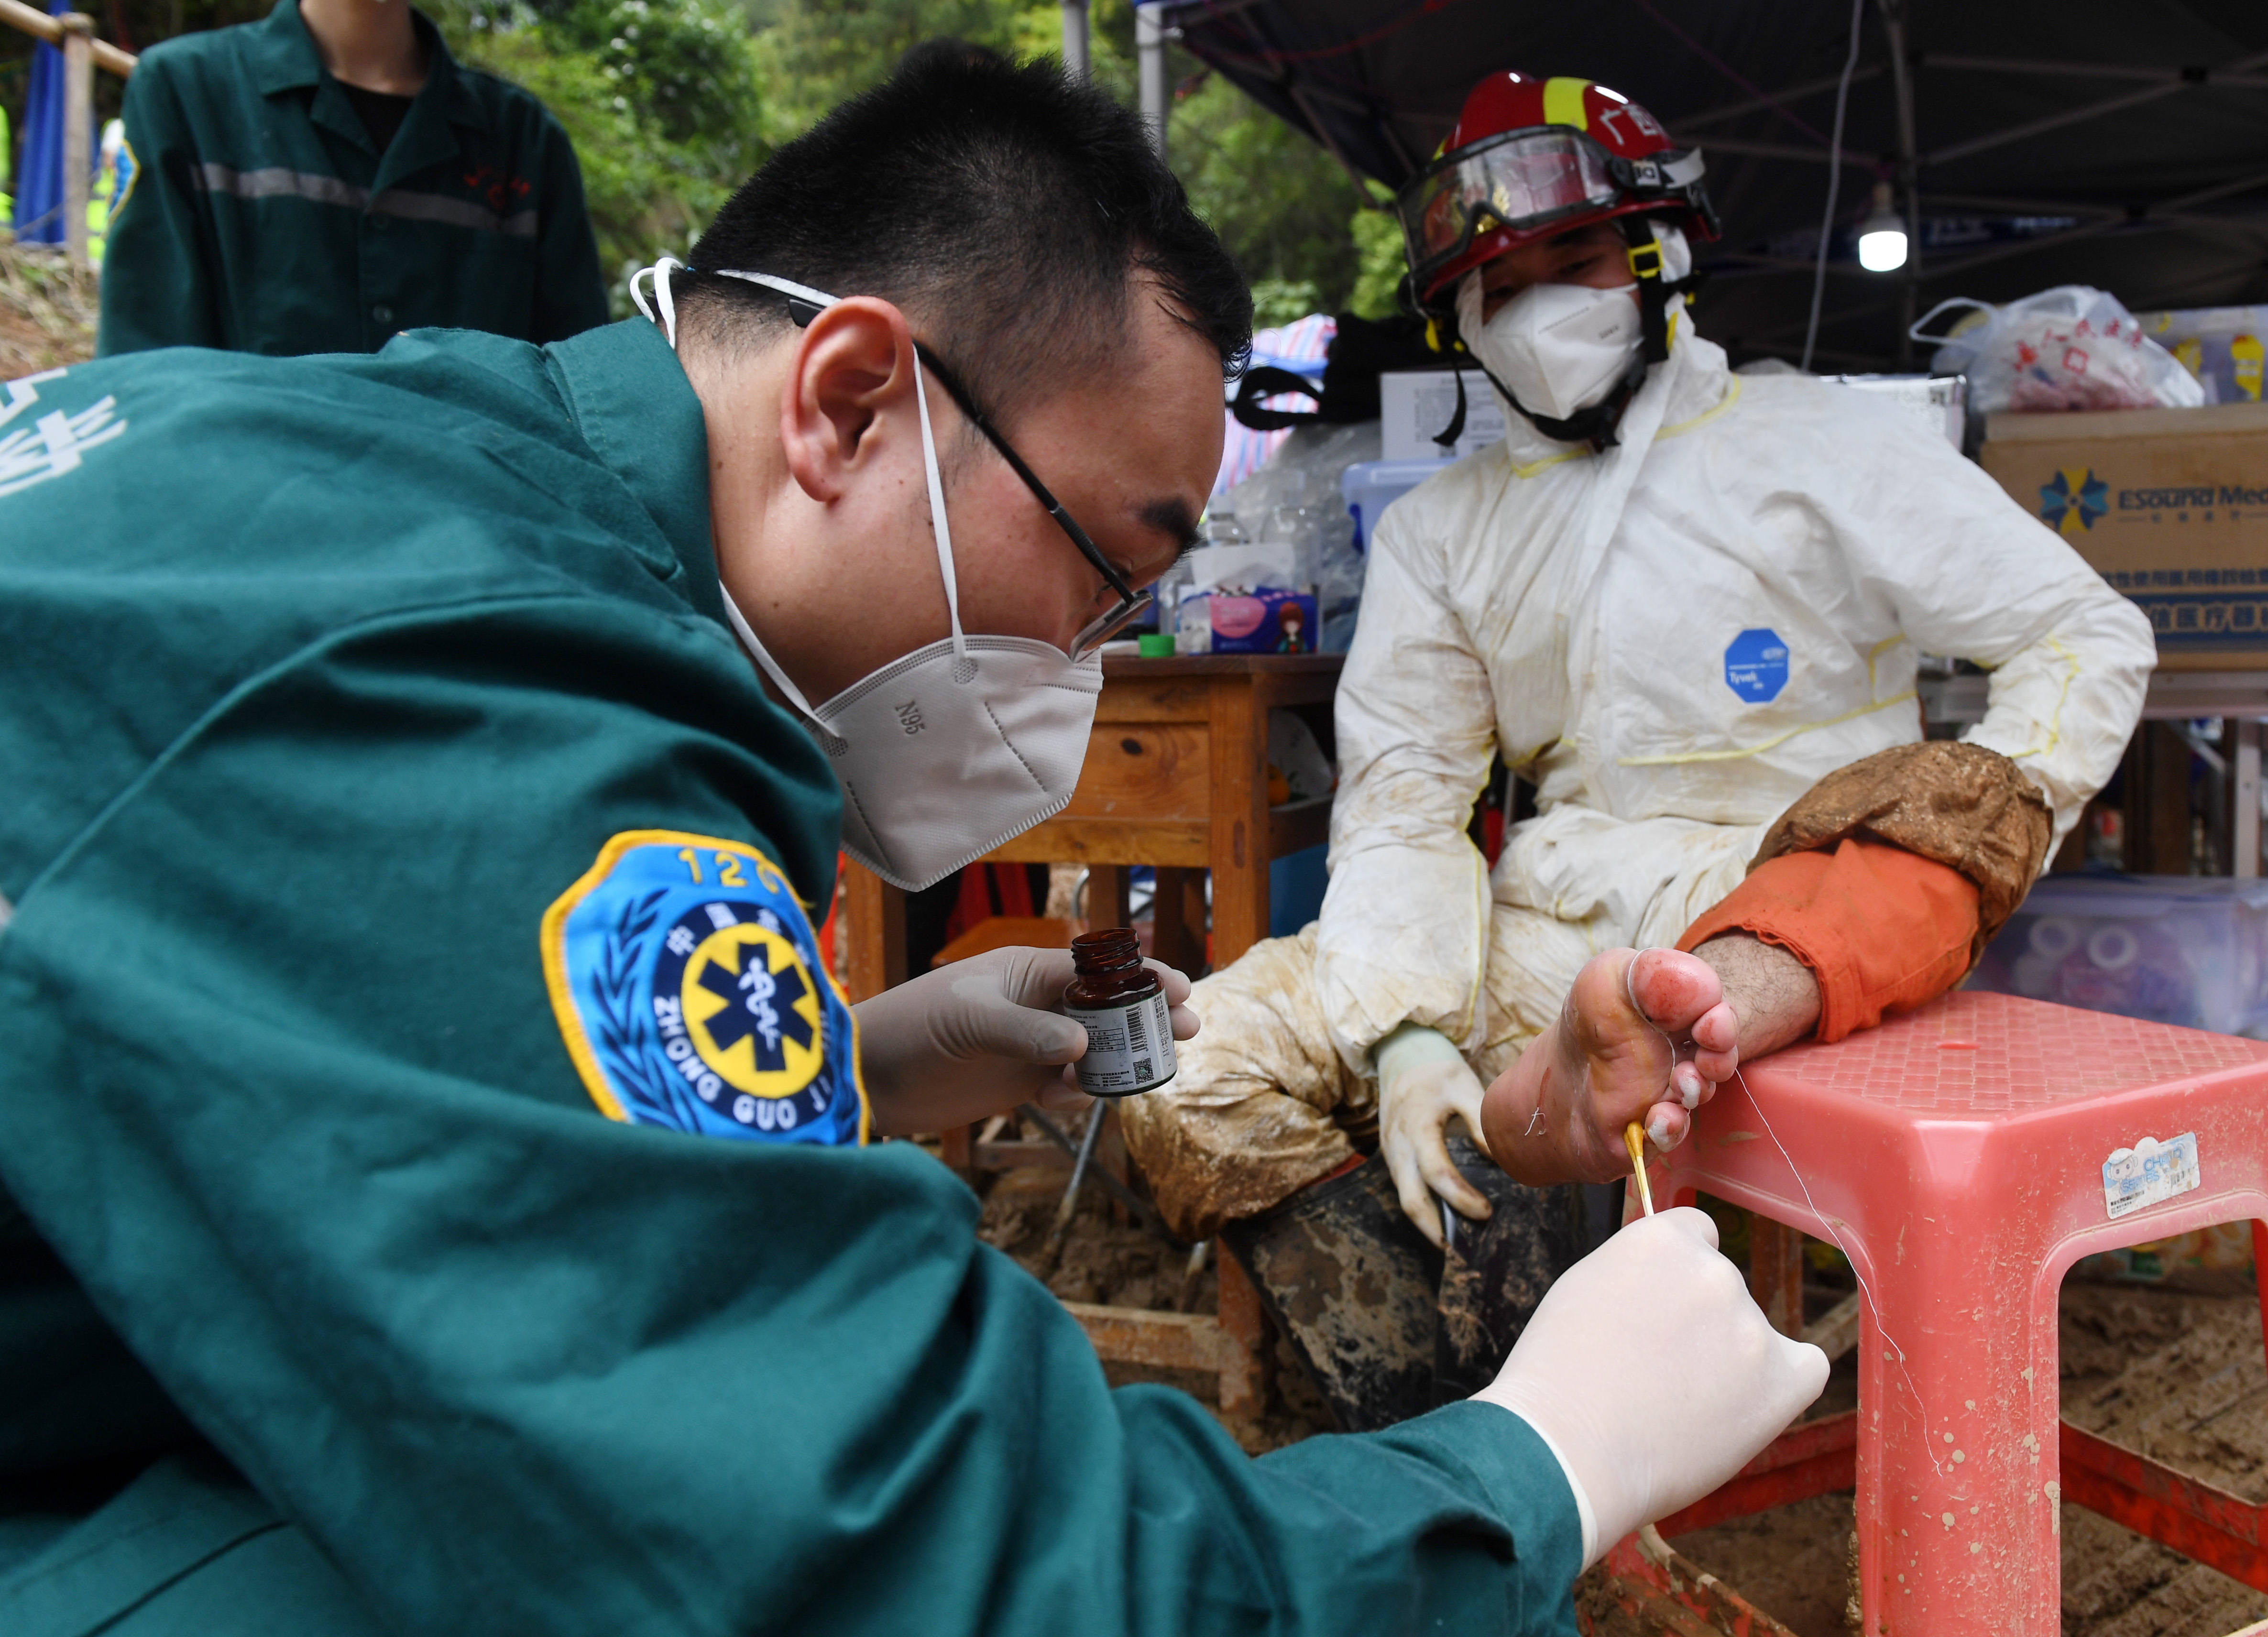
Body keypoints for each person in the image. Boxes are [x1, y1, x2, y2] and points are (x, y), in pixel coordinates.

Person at [0, 52, 1825, 1633]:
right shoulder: (511, 698)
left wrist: (846, 1073)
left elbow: (331, 1038)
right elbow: (886, 1553)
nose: (1090, 671)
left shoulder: (361, 460)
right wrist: (1534, 1462)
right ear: (849, 399)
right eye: (1106, 571)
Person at [1117, 71, 2157, 1402]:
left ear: (1658, 254)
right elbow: (1406, 800)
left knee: (1928, 811)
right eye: (1502, 284)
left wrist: (1973, 829)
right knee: (1184, 1072)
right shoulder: (1446, 530)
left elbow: (2083, 635)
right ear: (1460, 328)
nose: (1544, 302)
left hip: (1777, 913)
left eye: (1577, 254)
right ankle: (1425, 1402)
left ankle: (1547, 1395)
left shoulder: (1821, 444)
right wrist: (1405, 1035)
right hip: (1546, 919)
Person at [96, 0, 606, 356]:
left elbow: (575, 387)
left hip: (470, 508)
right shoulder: (185, 94)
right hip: (250, 502)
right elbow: (143, 365)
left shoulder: (524, 140)